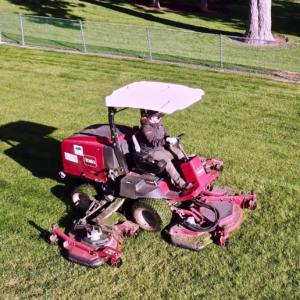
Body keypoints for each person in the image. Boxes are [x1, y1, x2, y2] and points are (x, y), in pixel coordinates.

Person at [138, 110, 193, 190]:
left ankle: (187, 175)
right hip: (152, 150)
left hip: (162, 147)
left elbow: (165, 133)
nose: (160, 118)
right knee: (167, 162)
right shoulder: (145, 128)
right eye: (158, 117)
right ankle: (181, 184)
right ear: (151, 117)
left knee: (179, 154)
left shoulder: (158, 123)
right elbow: (154, 142)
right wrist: (166, 141)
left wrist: (168, 138)